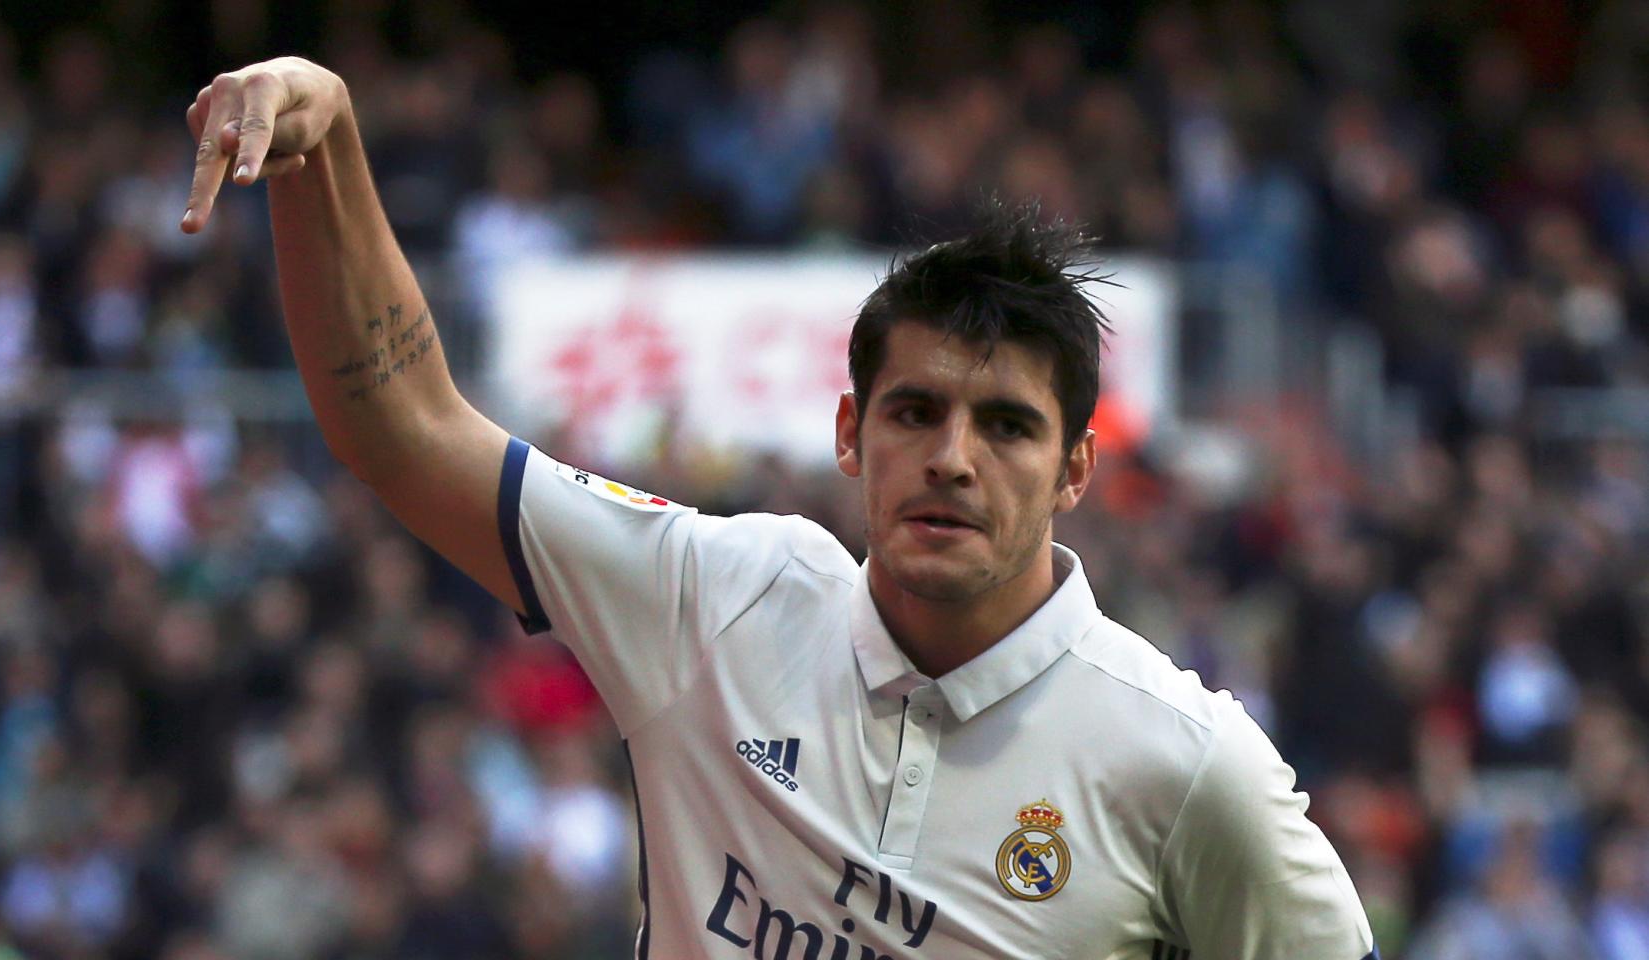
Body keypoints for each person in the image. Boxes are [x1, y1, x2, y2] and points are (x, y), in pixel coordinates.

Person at [181, 56, 1380, 960]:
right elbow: (406, 432)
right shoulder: (718, 598)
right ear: (850, 434)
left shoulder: (1185, 765)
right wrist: (324, 145)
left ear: (1074, 470)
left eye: (1007, 426)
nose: (952, 459)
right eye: (913, 412)